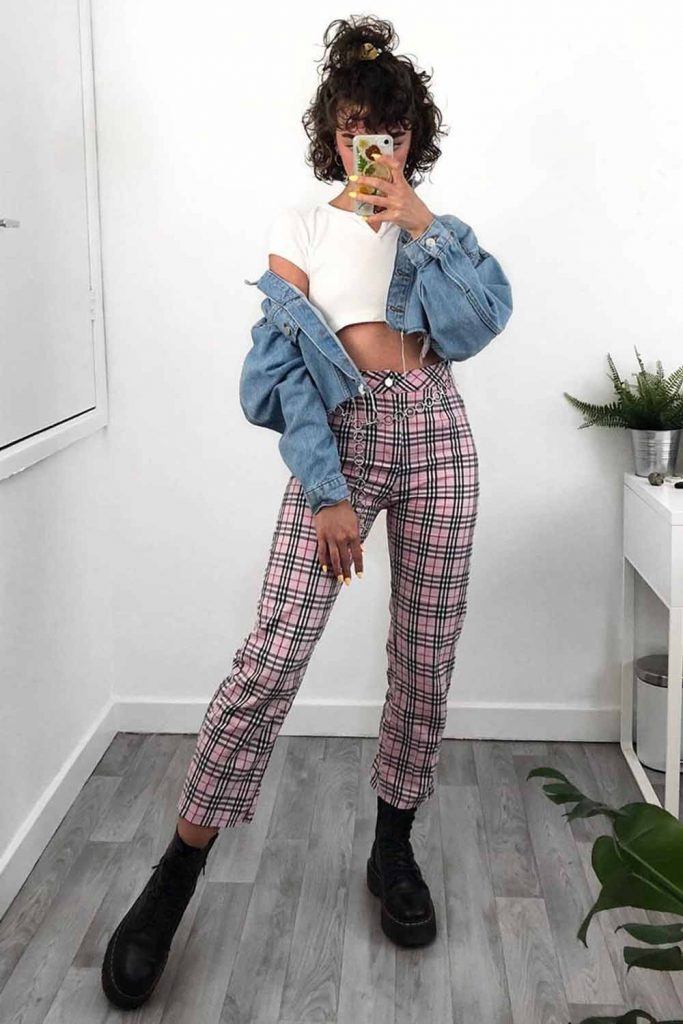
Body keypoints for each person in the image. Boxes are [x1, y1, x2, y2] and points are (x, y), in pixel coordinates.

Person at [101, 15, 512, 1010]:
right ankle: (174, 876)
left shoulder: (436, 235)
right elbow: (278, 372)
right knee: (274, 653)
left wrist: (415, 215)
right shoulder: (299, 225)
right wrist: (325, 490)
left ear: (412, 138)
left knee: (423, 654)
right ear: (331, 134)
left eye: (391, 130)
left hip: (437, 432)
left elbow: (480, 322)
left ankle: (392, 847)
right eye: (354, 127)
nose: (371, 142)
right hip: (342, 439)